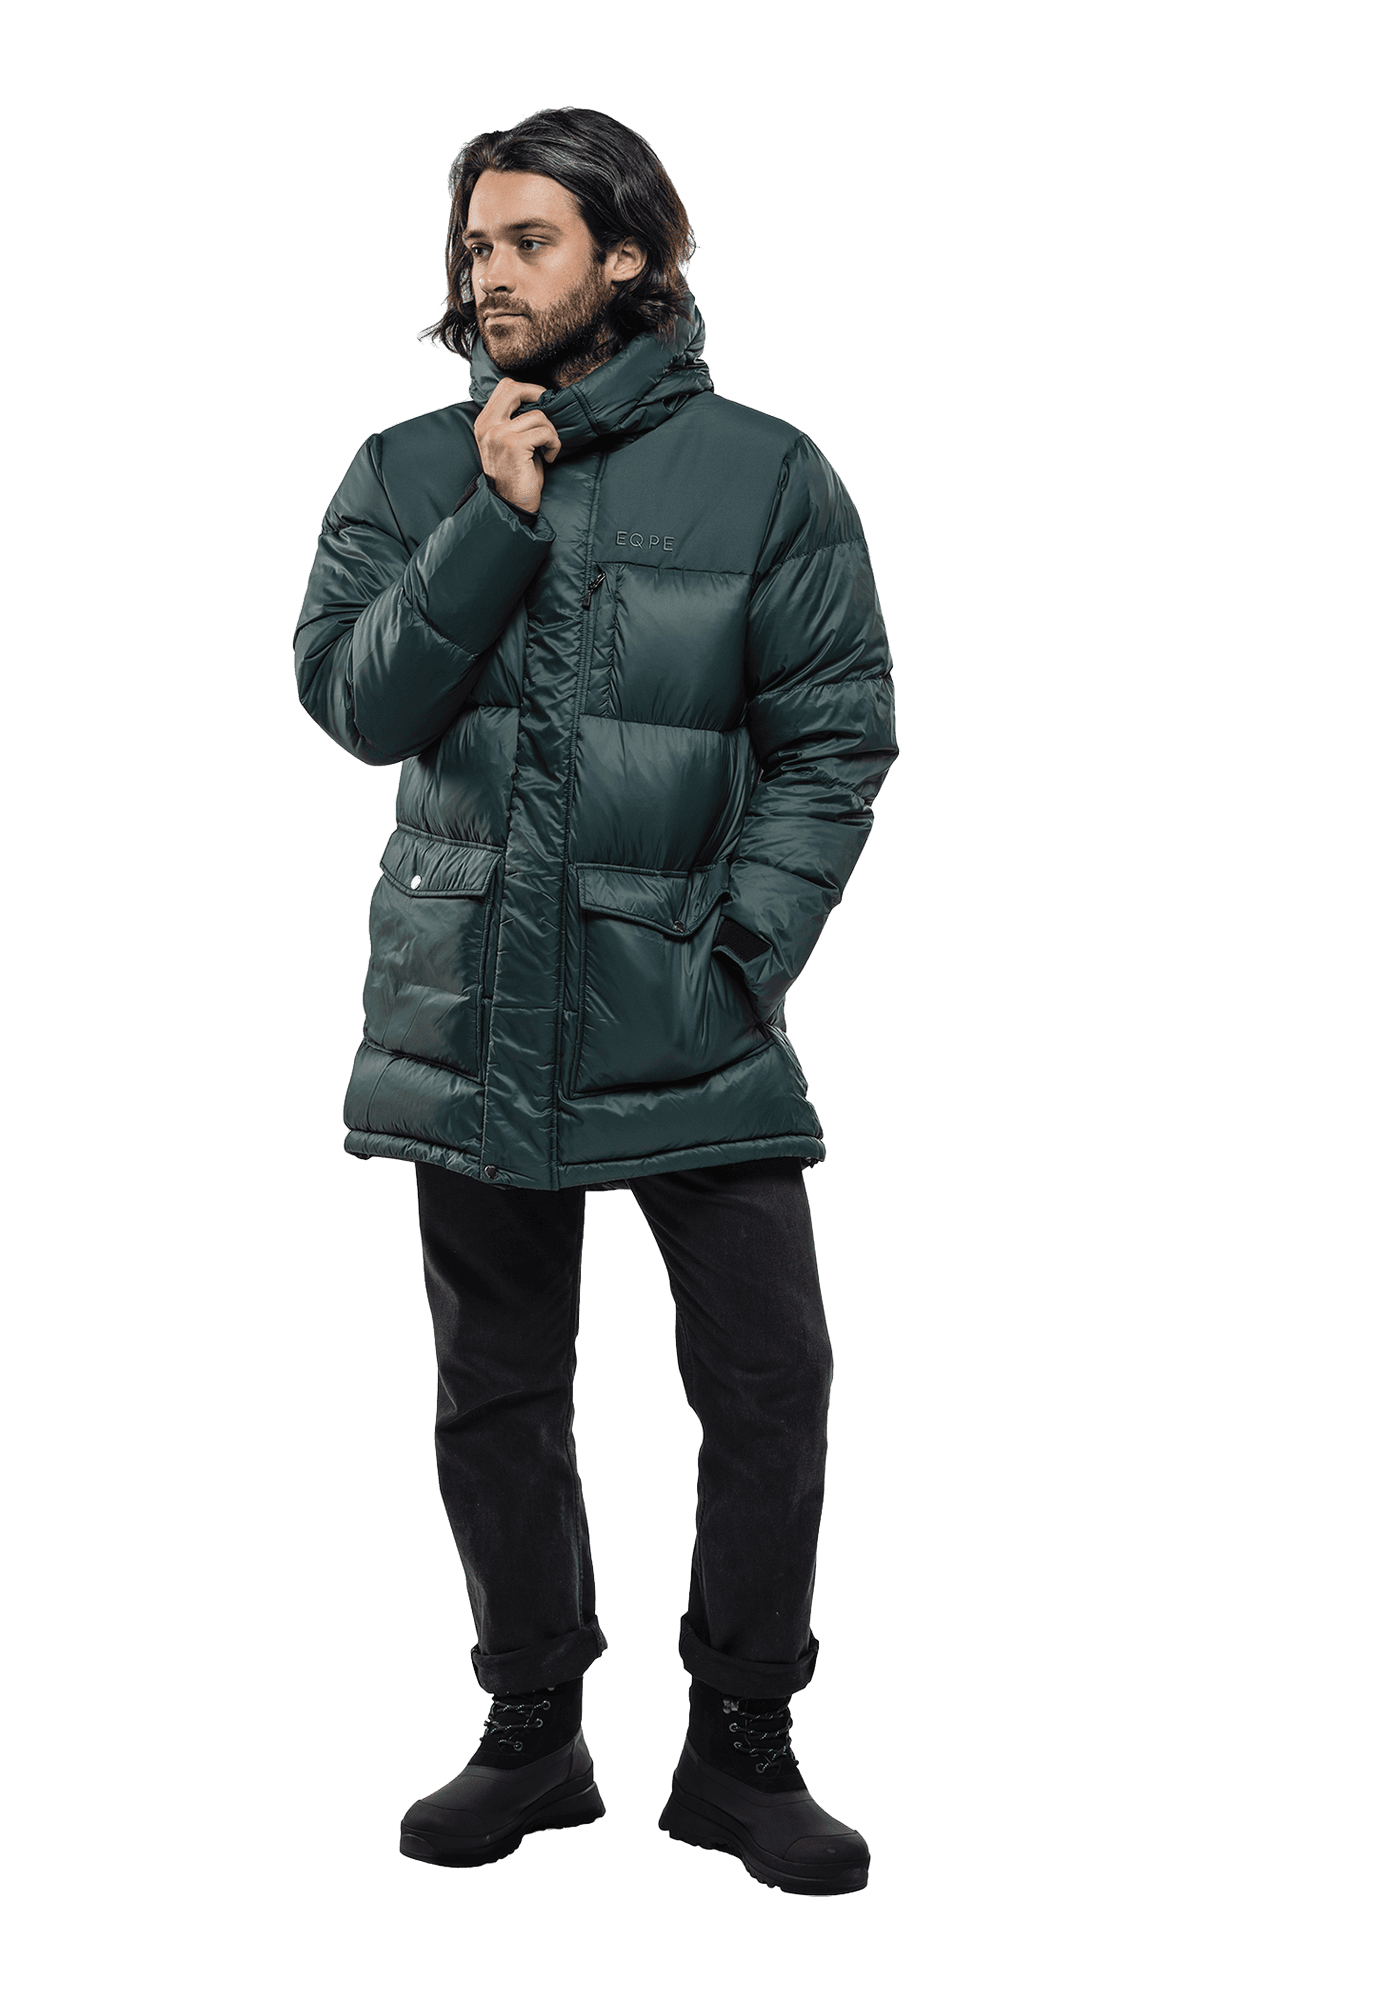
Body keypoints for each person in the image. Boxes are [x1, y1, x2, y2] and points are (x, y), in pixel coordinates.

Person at [291, 105, 899, 1897]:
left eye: (528, 241)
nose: (488, 273)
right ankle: (531, 1731)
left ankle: (742, 1748)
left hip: (687, 1008)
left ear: (628, 255)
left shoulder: (768, 477)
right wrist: (491, 522)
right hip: (472, 1002)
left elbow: (836, 737)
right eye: (474, 244)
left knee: (772, 1380)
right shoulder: (407, 470)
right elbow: (360, 704)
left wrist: (742, 948)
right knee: (496, 1387)